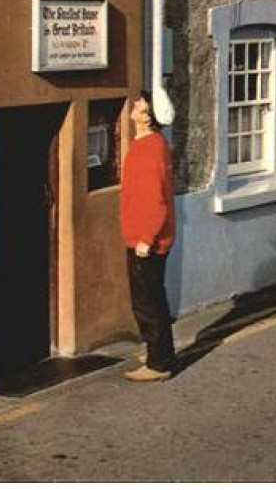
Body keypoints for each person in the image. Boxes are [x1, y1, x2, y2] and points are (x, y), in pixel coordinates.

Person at [120, 90, 176, 382]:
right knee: (150, 297)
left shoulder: (150, 149)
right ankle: (157, 351)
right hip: (142, 236)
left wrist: (146, 238)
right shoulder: (149, 144)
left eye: (142, 103)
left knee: (148, 301)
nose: (136, 103)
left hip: (146, 241)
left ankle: (159, 364)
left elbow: (157, 201)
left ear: (147, 117)